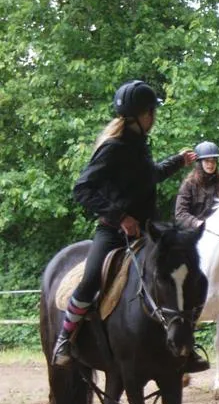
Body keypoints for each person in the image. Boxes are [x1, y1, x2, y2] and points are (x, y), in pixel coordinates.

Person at [52, 80, 204, 370]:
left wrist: (177, 162)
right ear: (142, 115)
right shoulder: (113, 148)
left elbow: (150, 177)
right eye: (152, 112)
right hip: (112, 231)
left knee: (185, 274)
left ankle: (185, 343)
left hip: (149, 232)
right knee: (91, 279)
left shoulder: (140, 146)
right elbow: (82, 189)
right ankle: (65, 339)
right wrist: (120, 217)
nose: (154, 118)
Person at [174, 141, 219, 308]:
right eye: (207, 161)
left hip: (217, 235)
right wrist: (199, 224)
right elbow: (180, 214)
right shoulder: (188, 185)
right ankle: (178, 295)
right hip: (193, 233)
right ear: (199, 163)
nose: (210, 165)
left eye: (213, 161)